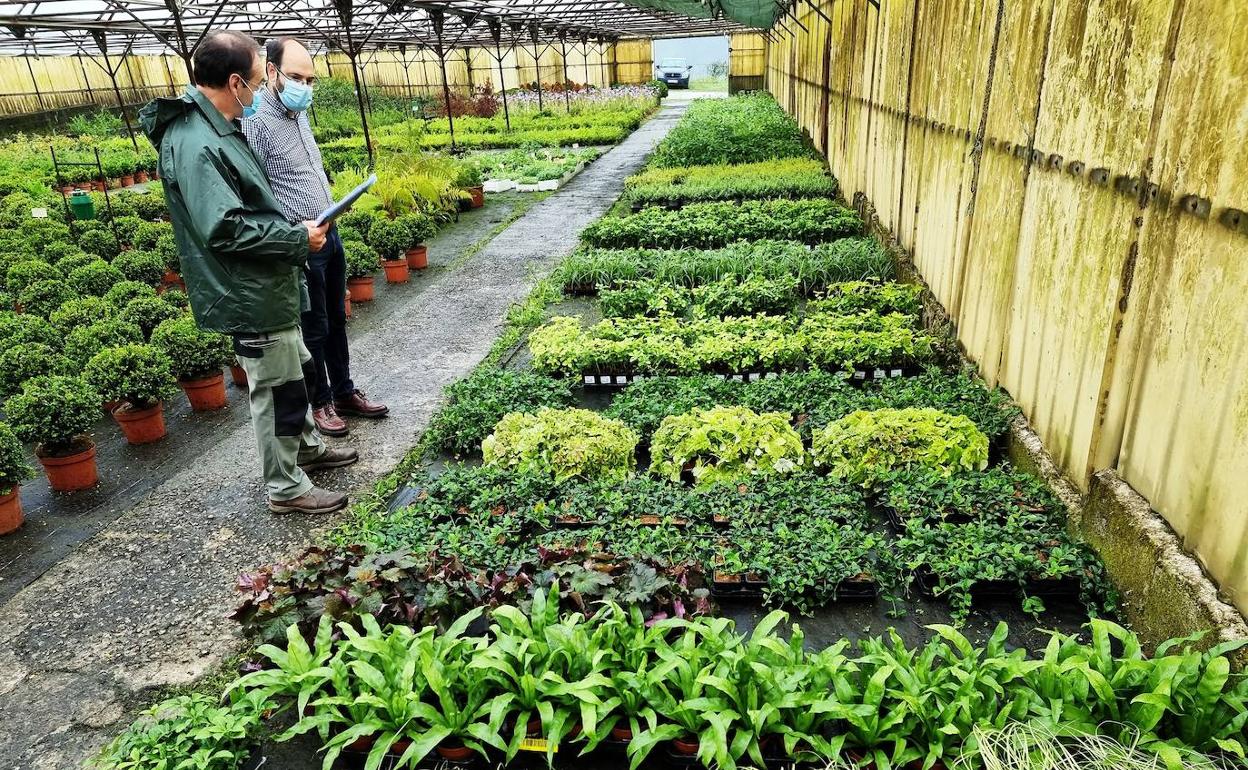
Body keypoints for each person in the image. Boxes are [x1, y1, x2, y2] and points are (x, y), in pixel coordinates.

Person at [138, 30, 357, 515]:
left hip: (268, 283)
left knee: (294, 371)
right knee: (276, 391)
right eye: (259, 82)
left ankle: (305, 451)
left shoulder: (216, 127)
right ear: (235, 81)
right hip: (247, 291)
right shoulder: (195, 142)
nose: (261, 92)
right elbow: (225, 228)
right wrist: (298, 239)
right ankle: (285, 487)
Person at [242, 36, 388, 438]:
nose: (304, 87)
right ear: (271, 71)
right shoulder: (256, 124)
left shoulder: (299, 114)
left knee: (337, 317)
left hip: (330, 231)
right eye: (295, 77)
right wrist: (292, 232)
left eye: (310, 79)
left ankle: (343, 391)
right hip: (301, 240)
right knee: (314, 325)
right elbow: (254, 193)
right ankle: (320, 401)